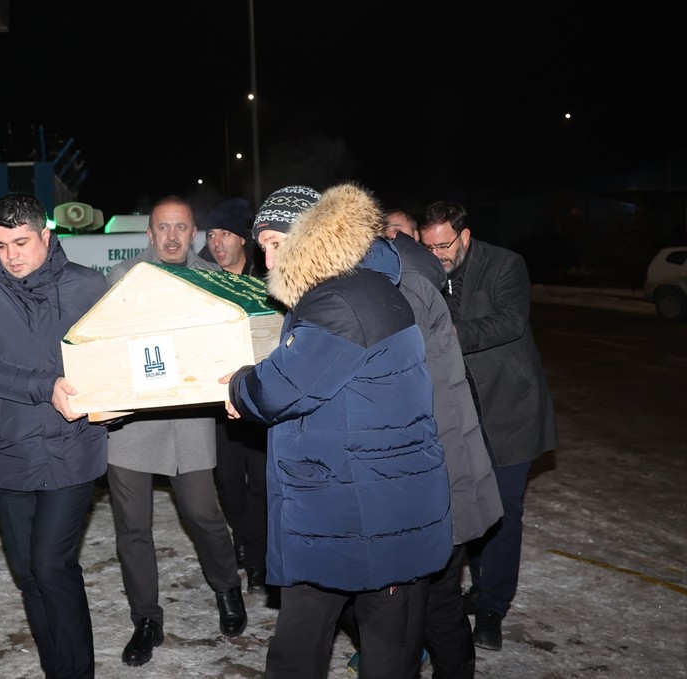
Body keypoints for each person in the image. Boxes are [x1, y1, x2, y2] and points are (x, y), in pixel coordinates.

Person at [224, 183, 453, 679]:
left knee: (374, 654)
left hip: (367, 515)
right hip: (356, 503)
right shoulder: (361, 285)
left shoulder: (339, 301)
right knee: (318, 640)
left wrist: (241, 383)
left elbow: (275, 391)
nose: (266, 257)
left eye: (275, 242)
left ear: (310, 236)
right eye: (261, 244)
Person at [0, 192, 108, 679]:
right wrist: (44, 386)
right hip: (12, 449)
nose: (11, 255)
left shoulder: (89, 287)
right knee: (29, 574)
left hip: (73, 447)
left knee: (51, 564)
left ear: (47, 235)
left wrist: (114, 404)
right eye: (0, 246)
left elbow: (112, 360)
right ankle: (57, 668)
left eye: (21, 242)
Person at [345, 218, 506, 678]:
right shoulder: (404, 280)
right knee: (428, 599)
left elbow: (390, 384)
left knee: (421, 604)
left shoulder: (402, 292)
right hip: (432, 471)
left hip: (431, 474)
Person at [105, 195, 246, 668]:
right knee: (133, 528)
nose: (171, 236)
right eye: (162, 227)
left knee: (205, 515)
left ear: (194, 234)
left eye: (181, 228)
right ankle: (146, 618)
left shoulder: (211, 281)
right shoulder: (122, 280)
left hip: (188, 420)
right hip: (131, 422)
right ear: (149, 234)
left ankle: (227, 588)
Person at [419, 200, 558, 652]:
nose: (437, 254)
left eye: (444, 246)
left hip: (510, 409)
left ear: (465, 236)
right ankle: (478, 588)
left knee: (505, 512)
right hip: (461, 411)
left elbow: (511, 321)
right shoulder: (428, 268)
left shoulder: (505, 265)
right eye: (429, 245)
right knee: (470, 503)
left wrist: (450, 333)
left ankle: (494, 606)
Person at [202, 197, 267, 592]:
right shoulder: (204, 280)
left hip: (260, 399)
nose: (217, 242)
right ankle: (244, 536)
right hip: (217, 403)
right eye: (211, 235)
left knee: (261, 483)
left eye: (225, 233)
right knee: (227, 481)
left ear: (242, 239)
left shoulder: (266, 278)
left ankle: (258, 559)